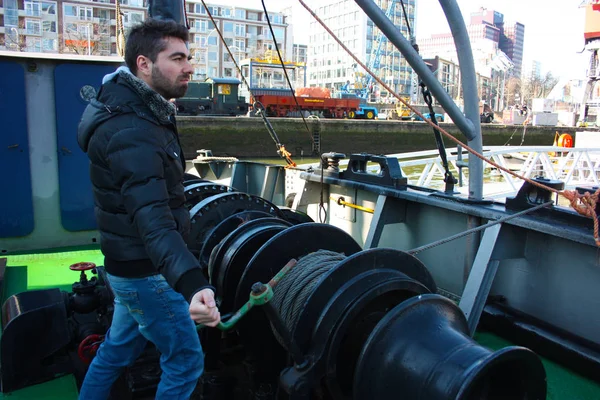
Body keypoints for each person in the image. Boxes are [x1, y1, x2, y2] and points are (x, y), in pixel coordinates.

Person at [77, 18, 220, 399]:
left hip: (126, 267)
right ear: (144, 64)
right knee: (185, 361)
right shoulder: (132, 128)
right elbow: (153, 220)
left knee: (117, 349)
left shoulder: (135, 110)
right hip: (146, 273)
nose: (189, 67)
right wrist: (191, 284)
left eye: (189, 57)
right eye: (177, 58)